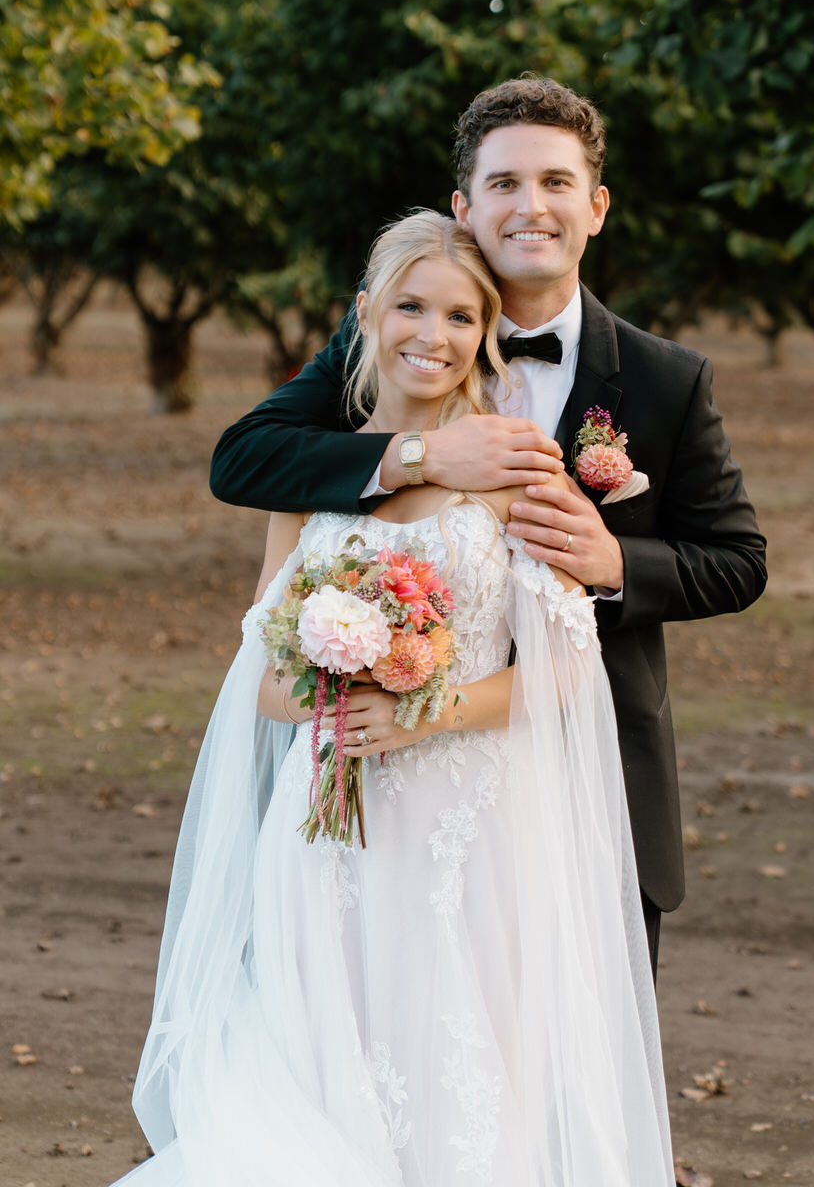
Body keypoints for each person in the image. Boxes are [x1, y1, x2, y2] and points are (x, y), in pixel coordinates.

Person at [120, 210, 675, 1186]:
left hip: (472, 828)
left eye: (461, 316)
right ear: (367, 314)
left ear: (486, 332)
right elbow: (268, 677)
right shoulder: (313, 465)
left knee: (461, 1069)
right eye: (411, 307)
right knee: (321, 1065)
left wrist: (423, 707)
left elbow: (569, 667)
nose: (434, 334)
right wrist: (335, 671)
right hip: (330, 830)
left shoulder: (520, 465)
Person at [210, 76, 768, 972]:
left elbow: (738, 561)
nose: (531, 206)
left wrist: (612, 559)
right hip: (377, 793)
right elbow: (245, 458)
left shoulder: (668, 380)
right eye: (504, 184)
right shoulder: (394, 337)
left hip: (592, 777)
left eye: (555, 182)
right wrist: (419, 460)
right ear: (465, 207)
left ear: (597, 206)